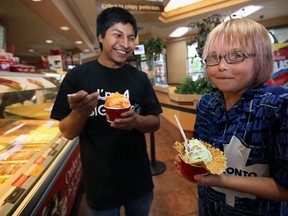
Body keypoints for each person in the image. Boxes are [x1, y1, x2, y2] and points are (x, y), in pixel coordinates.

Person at [50, 7, 162, 215]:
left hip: (139, 181)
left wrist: (136, 121)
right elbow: (67, 131)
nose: (125, 44)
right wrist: (80, 112)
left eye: (131, 38)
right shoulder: (78, 78)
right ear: (100, 36)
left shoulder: (140, 78)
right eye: (117, 35)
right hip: (100, 185)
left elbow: (155, 121)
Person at [174, 18, 288, 215]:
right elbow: (201, 154)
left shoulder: (278, 106)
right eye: (213, 57)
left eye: (236, 55)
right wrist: (192, 164)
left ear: (261, 59)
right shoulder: (206, 104)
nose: (221, 66)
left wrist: (221, 179)